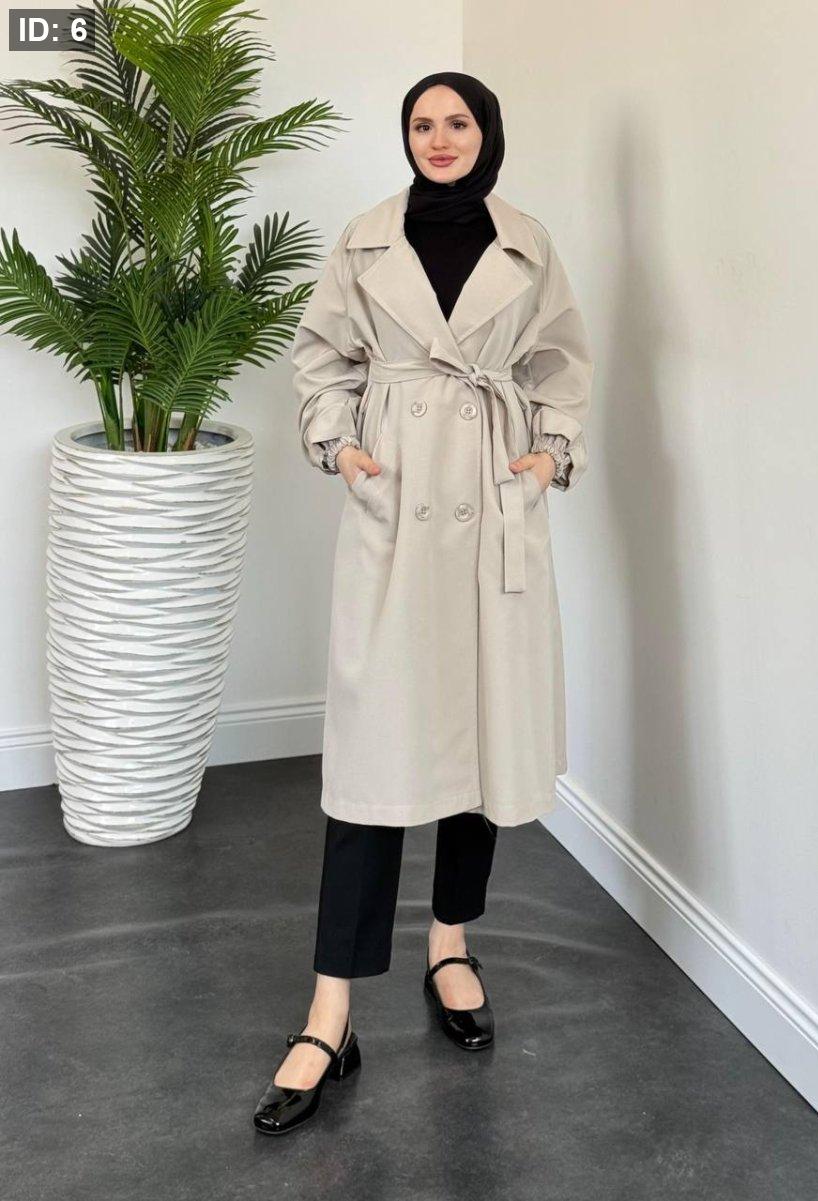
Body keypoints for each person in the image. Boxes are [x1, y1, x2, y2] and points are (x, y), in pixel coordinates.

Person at [252, 70, 594, 1135]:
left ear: (487, 131)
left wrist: (548, 456)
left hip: (492, 497)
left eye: (456, 122)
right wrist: (340, 446)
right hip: (397, 503)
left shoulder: (527, 244)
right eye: (420, 124)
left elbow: (561, 363)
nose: (438, 138)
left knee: (478, 738)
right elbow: (321, 359)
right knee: (370, 760)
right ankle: (330, 1010)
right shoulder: (365, 240)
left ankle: (450, 943)